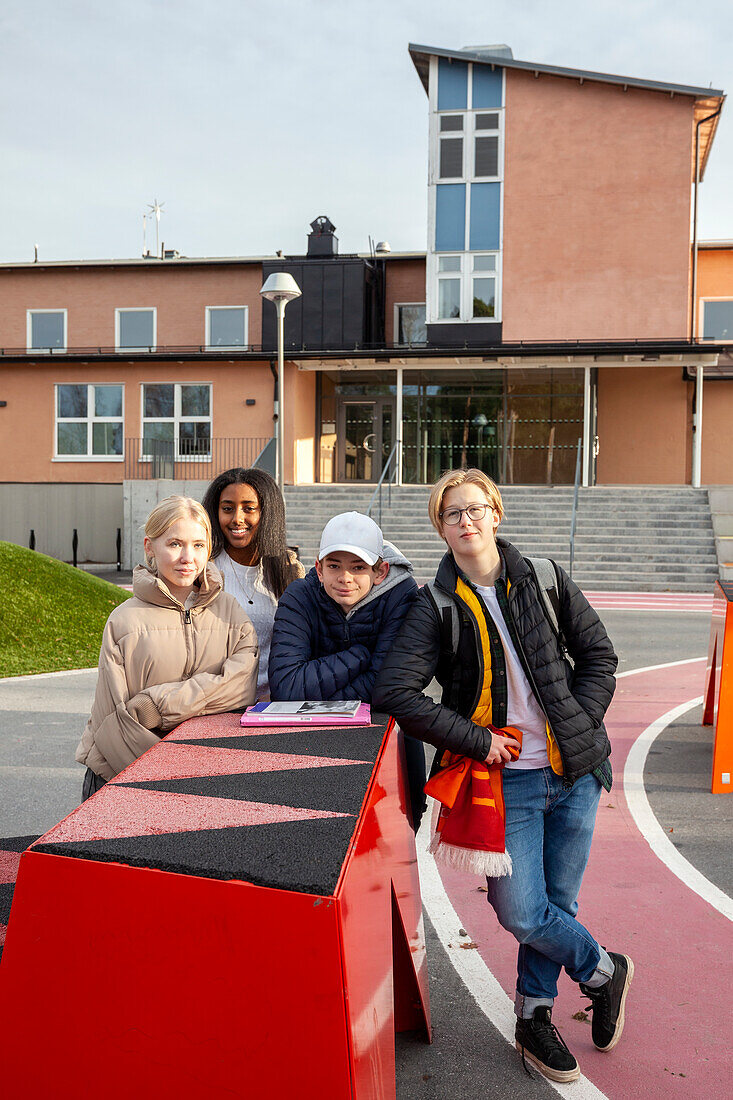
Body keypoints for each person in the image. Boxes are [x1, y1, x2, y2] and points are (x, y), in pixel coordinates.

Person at [373, 469, 631, 1084]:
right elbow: (398, 693)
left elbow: (600, 657)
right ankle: (602, 970)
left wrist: (577, 720)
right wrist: (479, 740)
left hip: (575, 771)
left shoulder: (543, 577)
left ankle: (534, 1017)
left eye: (475, 508)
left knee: (558, 902)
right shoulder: (430, 605)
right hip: (505, 780)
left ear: (496, 512)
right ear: (440, 527)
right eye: (451, 513)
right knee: (523, 910)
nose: (466, 520)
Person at [76, 496, 259, 798]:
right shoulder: (123, 621)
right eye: (175, 544)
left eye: (199, 545)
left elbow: (241, 688)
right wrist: (167, 779)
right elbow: (115, 725)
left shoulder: (231, 612)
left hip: (204, 777)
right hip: (121, 778)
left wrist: (157, 705)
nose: (188, 557)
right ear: (150, 547)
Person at [268, 511, 426, 829]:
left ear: (380, 571)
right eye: (334, 566)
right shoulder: (300, 596)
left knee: (393, 844)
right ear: (318, 567)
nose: (345, 578)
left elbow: (387, 689)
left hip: (391, 745)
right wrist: (358, 656)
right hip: (312, 746)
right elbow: (285, 688)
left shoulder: (402, 597)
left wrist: (315, 683)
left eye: (358, 567)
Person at [202, 467, 304, 700]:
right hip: (219, 704)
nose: (237, 518)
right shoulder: (204, 569)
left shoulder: (288, 570)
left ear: (267, 513)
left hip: (275, 705)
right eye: (227, 509)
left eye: (249, 509)